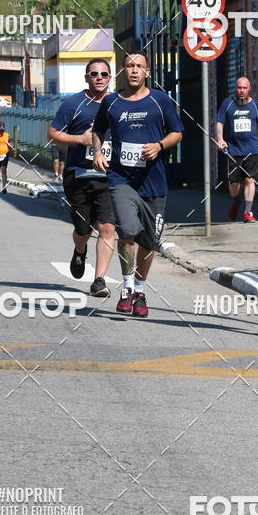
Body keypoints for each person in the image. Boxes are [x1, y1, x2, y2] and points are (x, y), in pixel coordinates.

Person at [92, 51, 183, 317]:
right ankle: (127, 287)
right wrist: (98, 152)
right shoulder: (110, 102)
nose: (134, 70)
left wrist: (159, 145)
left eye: (139, 66)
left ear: (147, 72)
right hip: (121, 179)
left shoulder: (160, 100)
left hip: (153, 182)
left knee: (149, 241)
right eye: (129, 66)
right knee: (128, 230)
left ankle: (140, 291)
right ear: (123, 71)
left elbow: (177, 131)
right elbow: (98, 129)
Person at [49, 59, 116, 298]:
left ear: (110, 78)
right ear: (87, 77)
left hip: (109, 177)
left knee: (108, 226)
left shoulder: (118, 103)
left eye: (104, 74)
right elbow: (53, 133)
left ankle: (99, 280)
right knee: (83, 228)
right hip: (78, 175)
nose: (99, 77)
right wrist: (80, 140)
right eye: (94, 74)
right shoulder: (74, 104)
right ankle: (80, 250)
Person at [215, 76, 258, 223]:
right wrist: (220, 139)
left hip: (252, 150)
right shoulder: (227, 104)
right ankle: (236, 202)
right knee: (234, 183)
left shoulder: (255, 106)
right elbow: (219, 122)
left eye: (244, 88)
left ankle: (248, 212)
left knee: (249, 180)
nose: (241, 91)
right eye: (239, 88)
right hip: (233, 150)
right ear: (236, 88)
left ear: (249, 89)